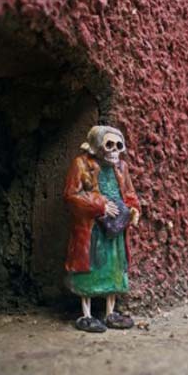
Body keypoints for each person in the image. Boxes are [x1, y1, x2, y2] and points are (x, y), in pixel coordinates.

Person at [63, 125, 140, 332]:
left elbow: (129, 193)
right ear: (97, 146)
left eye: (118, 146)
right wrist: (100, 205)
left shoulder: (121, 168)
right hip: (92, 230)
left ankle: (110, 312)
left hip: (115, 230)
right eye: (109, 145)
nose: (114, 151)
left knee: (114, 268)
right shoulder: (81, 164)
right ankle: (86, 314)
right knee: (90, 269)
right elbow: (71, 195)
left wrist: (133, 209)